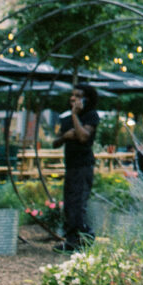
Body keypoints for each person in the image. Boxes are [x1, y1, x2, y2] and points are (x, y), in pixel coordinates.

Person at [56, 84, 99, 251]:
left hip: (83, 166)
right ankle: (72, 240)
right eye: (72, 95)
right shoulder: (66, 119)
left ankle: (84, 239)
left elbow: (83, 136)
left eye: (78, 96)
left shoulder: (91, 116)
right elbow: (56, 141)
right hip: (71, 165)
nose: (73, 98)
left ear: (87, 99)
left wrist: (75, 116)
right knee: (69, 204)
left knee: (78, 203)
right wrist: (66, 136)